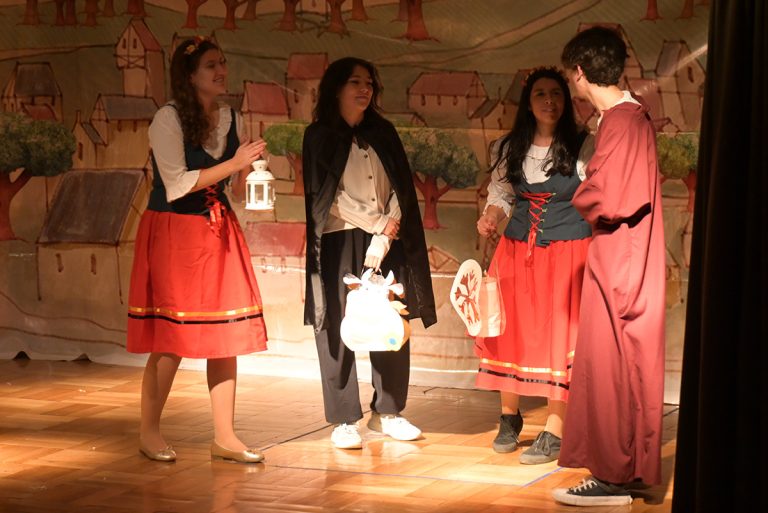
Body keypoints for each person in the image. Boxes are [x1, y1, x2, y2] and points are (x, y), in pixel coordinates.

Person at [126, 37, 268, 464]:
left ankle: (225, 436)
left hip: (217, 230)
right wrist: (233, 164)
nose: (221, 71)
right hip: (175, 231)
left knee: (225, 333)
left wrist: (251, 171)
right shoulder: (167, 119)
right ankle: (149, 431)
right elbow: (177, 184)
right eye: (211, 65)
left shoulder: (229, 117)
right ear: (190, 76)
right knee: (171, 337)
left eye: (222, 62)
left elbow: (230, 184)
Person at [552, 26, 666, 506]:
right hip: (628, 254)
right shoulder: (629, 116)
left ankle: (611, 475)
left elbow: (611, 196)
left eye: (570, 76)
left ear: (579, 73)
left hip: (620, 258)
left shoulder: (621, 120)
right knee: (625, 362)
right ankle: (628, 468)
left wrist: (579, 191)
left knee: (611, 363)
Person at [302, 57, 436, 450]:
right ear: (336, 89)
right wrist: (376, 222)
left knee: (390, 321)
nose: (364, 90)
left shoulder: (383, 132)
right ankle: (344, 419)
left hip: (385, 240)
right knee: (336, 324)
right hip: (338, 239)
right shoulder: (318, 135)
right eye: (355, 82)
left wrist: (384, 234)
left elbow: (401, 190)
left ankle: (388, 412)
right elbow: (325, 196)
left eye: (369, 83)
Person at [475, 67, 594, 464]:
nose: (549, 101)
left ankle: (555, 429)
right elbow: (501, 196)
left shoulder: (583, 145)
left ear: (566, 100)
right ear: (528, 102)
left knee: (559, 337)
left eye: (556, 93)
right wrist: (491, 216)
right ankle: (509, 416)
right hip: (515, 250)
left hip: (567, 250)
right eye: (541, 94)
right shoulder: (509, 147)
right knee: (510, 330)